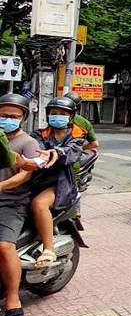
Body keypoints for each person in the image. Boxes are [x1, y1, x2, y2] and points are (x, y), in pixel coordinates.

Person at [0, 94, 45, 316]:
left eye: (13, 116)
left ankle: (13, 300)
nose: (7, 119)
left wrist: (1, 187)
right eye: (3, 115)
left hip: (11, 202)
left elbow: (25, 173)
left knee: (4, 246)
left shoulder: (28, 142)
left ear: (23, 118)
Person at [30, 97, 85, 267]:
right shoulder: (38, 134)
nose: (57, 116)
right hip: (35, 180)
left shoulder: (77, 136)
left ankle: (48, 248)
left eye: (62, 114)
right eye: (54, 113)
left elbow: (72, 152)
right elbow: (33, 148)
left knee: (39, 204)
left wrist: (55, 153)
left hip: (59, 184)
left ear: (71, 116)